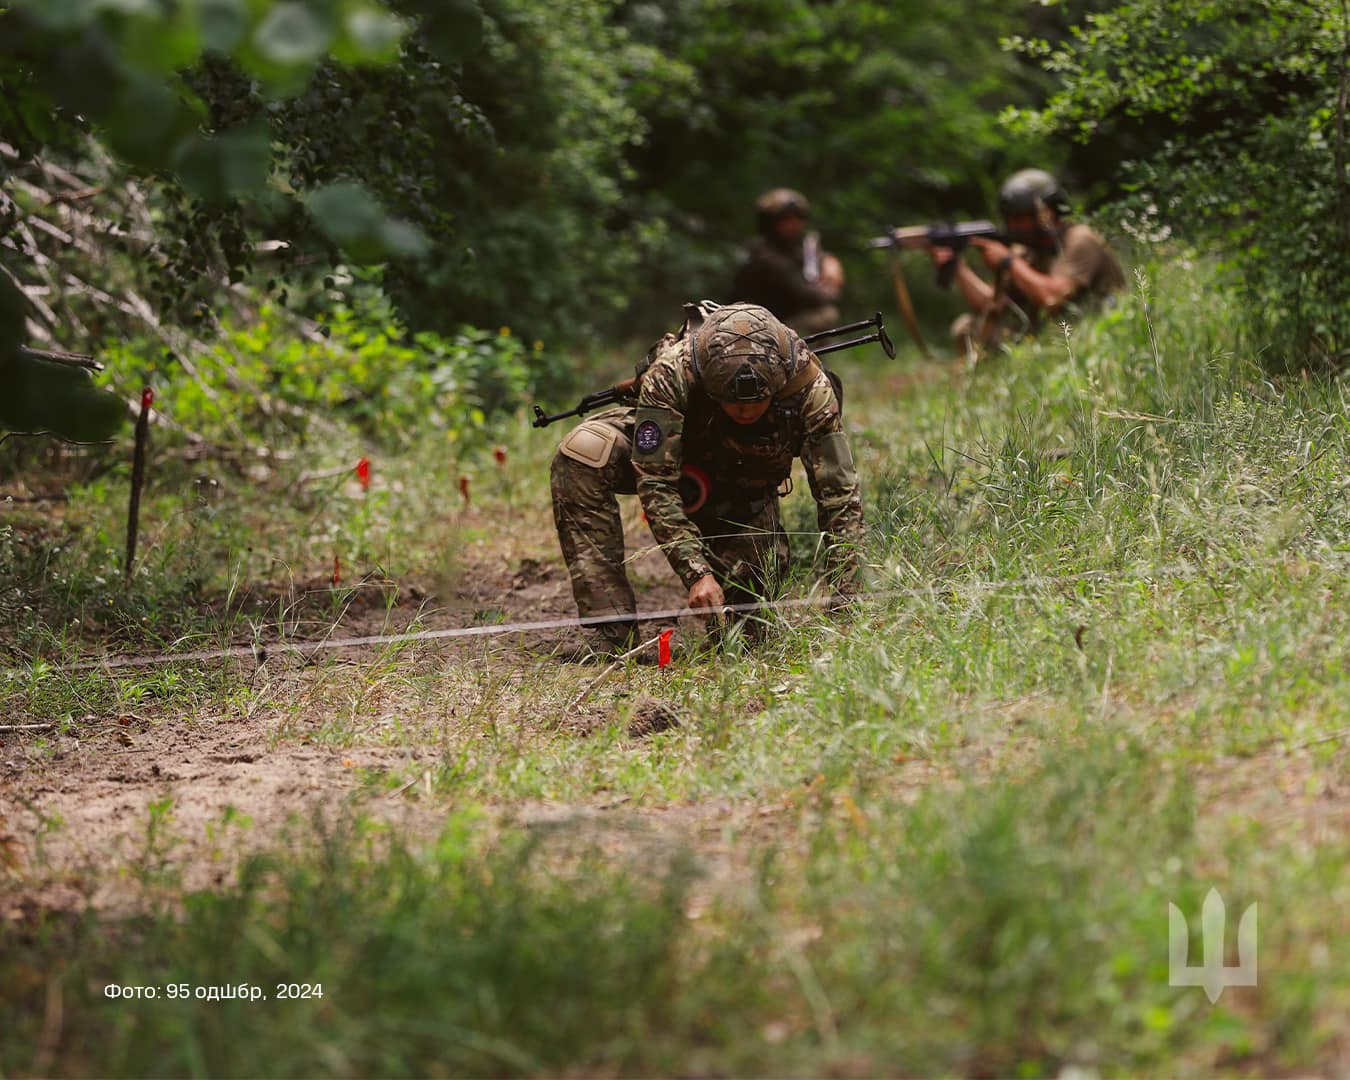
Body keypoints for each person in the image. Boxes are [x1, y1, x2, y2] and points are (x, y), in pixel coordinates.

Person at [549, 302, 864, 657]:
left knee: (744, 645)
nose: (745, 411)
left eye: (757, 402)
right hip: (679, 457)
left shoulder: (810, 389)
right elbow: (655, 482)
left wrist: (847, 607)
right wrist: (697, 571)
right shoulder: (672, 372)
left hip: (743, 490)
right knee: (584, 452)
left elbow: (840, 498)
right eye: (732, 402)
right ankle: (610, 633)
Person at [935, 168, 1126, 357]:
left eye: (1020, 217)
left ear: (1048, 212)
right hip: (1052, 335)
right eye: (1010, 218)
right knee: (967, 328)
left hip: (1096, 334)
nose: (1013, 226)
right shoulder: (1027, 250)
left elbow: (1053, 298)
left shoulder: (1079, 239)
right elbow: (991, 304)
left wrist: (1009, 261)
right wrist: (958, 266)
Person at [732, 189, 845, 337]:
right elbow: (807, 294)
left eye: (798, 218)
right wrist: (829, 290)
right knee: (826, 315)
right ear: (770, 223)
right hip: (759, 326)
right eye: (786, 219)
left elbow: (814, 256)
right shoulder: (765, 257)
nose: (794, 224)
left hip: (778, 320)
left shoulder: (791, 248)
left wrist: (829, 261)